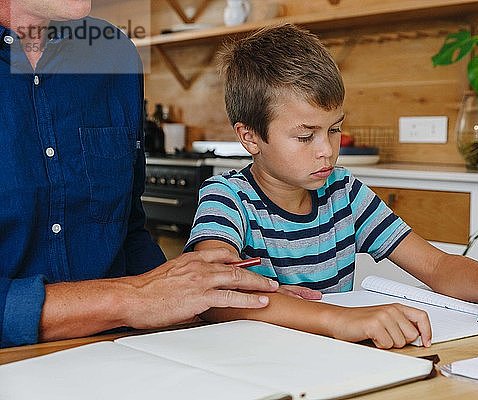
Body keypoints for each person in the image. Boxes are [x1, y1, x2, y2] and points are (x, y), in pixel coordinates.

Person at [185, 23, 478, 349]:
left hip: (333, 358)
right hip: (251, 361)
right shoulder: (228, 198)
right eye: (306, 136)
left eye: (334, 129)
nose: (327, 150)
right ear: (250, 137)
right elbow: (213, 292)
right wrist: (340, 320)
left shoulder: (344, 193)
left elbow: (435, 266)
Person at [0, 1, 300, 348]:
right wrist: (128, 299)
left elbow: (126, 232)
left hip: (126, 354)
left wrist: (215, 297)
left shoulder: (111, 52)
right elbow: (137, 294)